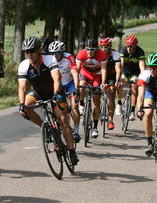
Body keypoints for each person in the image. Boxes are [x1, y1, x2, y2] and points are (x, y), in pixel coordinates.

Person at [18, 36, 79, 165]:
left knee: (63, 121)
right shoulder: (24, 65)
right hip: (38, 93)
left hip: (55, 92)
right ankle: (45, 128)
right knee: (27, 107)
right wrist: (21, 104)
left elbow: (57, 78)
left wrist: (57, 94)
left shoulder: (49, 59)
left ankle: (72, 151)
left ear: (39, 50)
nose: (29, 54)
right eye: (26, 51)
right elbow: (22, 87)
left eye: (32, 50)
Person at [136, 53, 157, 157]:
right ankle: (149, 143)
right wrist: (139, 109)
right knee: (148, 113)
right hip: (150, 93)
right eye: (149, 67)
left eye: (154, 68)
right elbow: (140, 95)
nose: (151, 70)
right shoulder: (144, 74)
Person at [48, 41, 81, 142]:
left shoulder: (69, 57)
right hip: (59, 86)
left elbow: (75, 73)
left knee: (74, 105)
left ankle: (76, 130)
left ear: (62, 52)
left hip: (70, 83)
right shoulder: (50, 60)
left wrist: (76, 88)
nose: (54, 55)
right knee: (62, 109)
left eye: (57, 53)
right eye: (52, 53)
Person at [76, 38, 107, 138]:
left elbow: (104, 70)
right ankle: (81, 104)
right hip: (85, 73)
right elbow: (77, 69)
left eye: (92, 49)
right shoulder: (81, 54)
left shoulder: (102, 55)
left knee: (96, 101)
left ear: (96, 49)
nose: (89, 52)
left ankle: (95, 127)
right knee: (82, 85)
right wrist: (75, 83)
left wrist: (103, 83)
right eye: (87, 49)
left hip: (97, 76)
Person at [116, 35, 145, 120]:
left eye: (131, 47)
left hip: (135, 73)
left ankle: (132, 111)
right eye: (127, 46)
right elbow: (121, 65)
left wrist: (141, 77)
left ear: (135, 46)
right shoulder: (124, 50)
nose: (128, 48)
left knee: (134, 88)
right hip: (125, 71)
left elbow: (142, 66)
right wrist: (119, 77)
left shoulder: (140, 52)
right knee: (121, 84)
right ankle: (119, 103)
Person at [99, 38, 122, 130]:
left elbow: (118, 69)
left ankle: (110, 120)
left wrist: (117, 80)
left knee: (111, 93)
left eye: (106, 47)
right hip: (99, 75)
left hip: (112, 75)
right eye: (102, 47)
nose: (104, 49)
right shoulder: (98, 54)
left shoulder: (115, 54)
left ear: (110, 46)